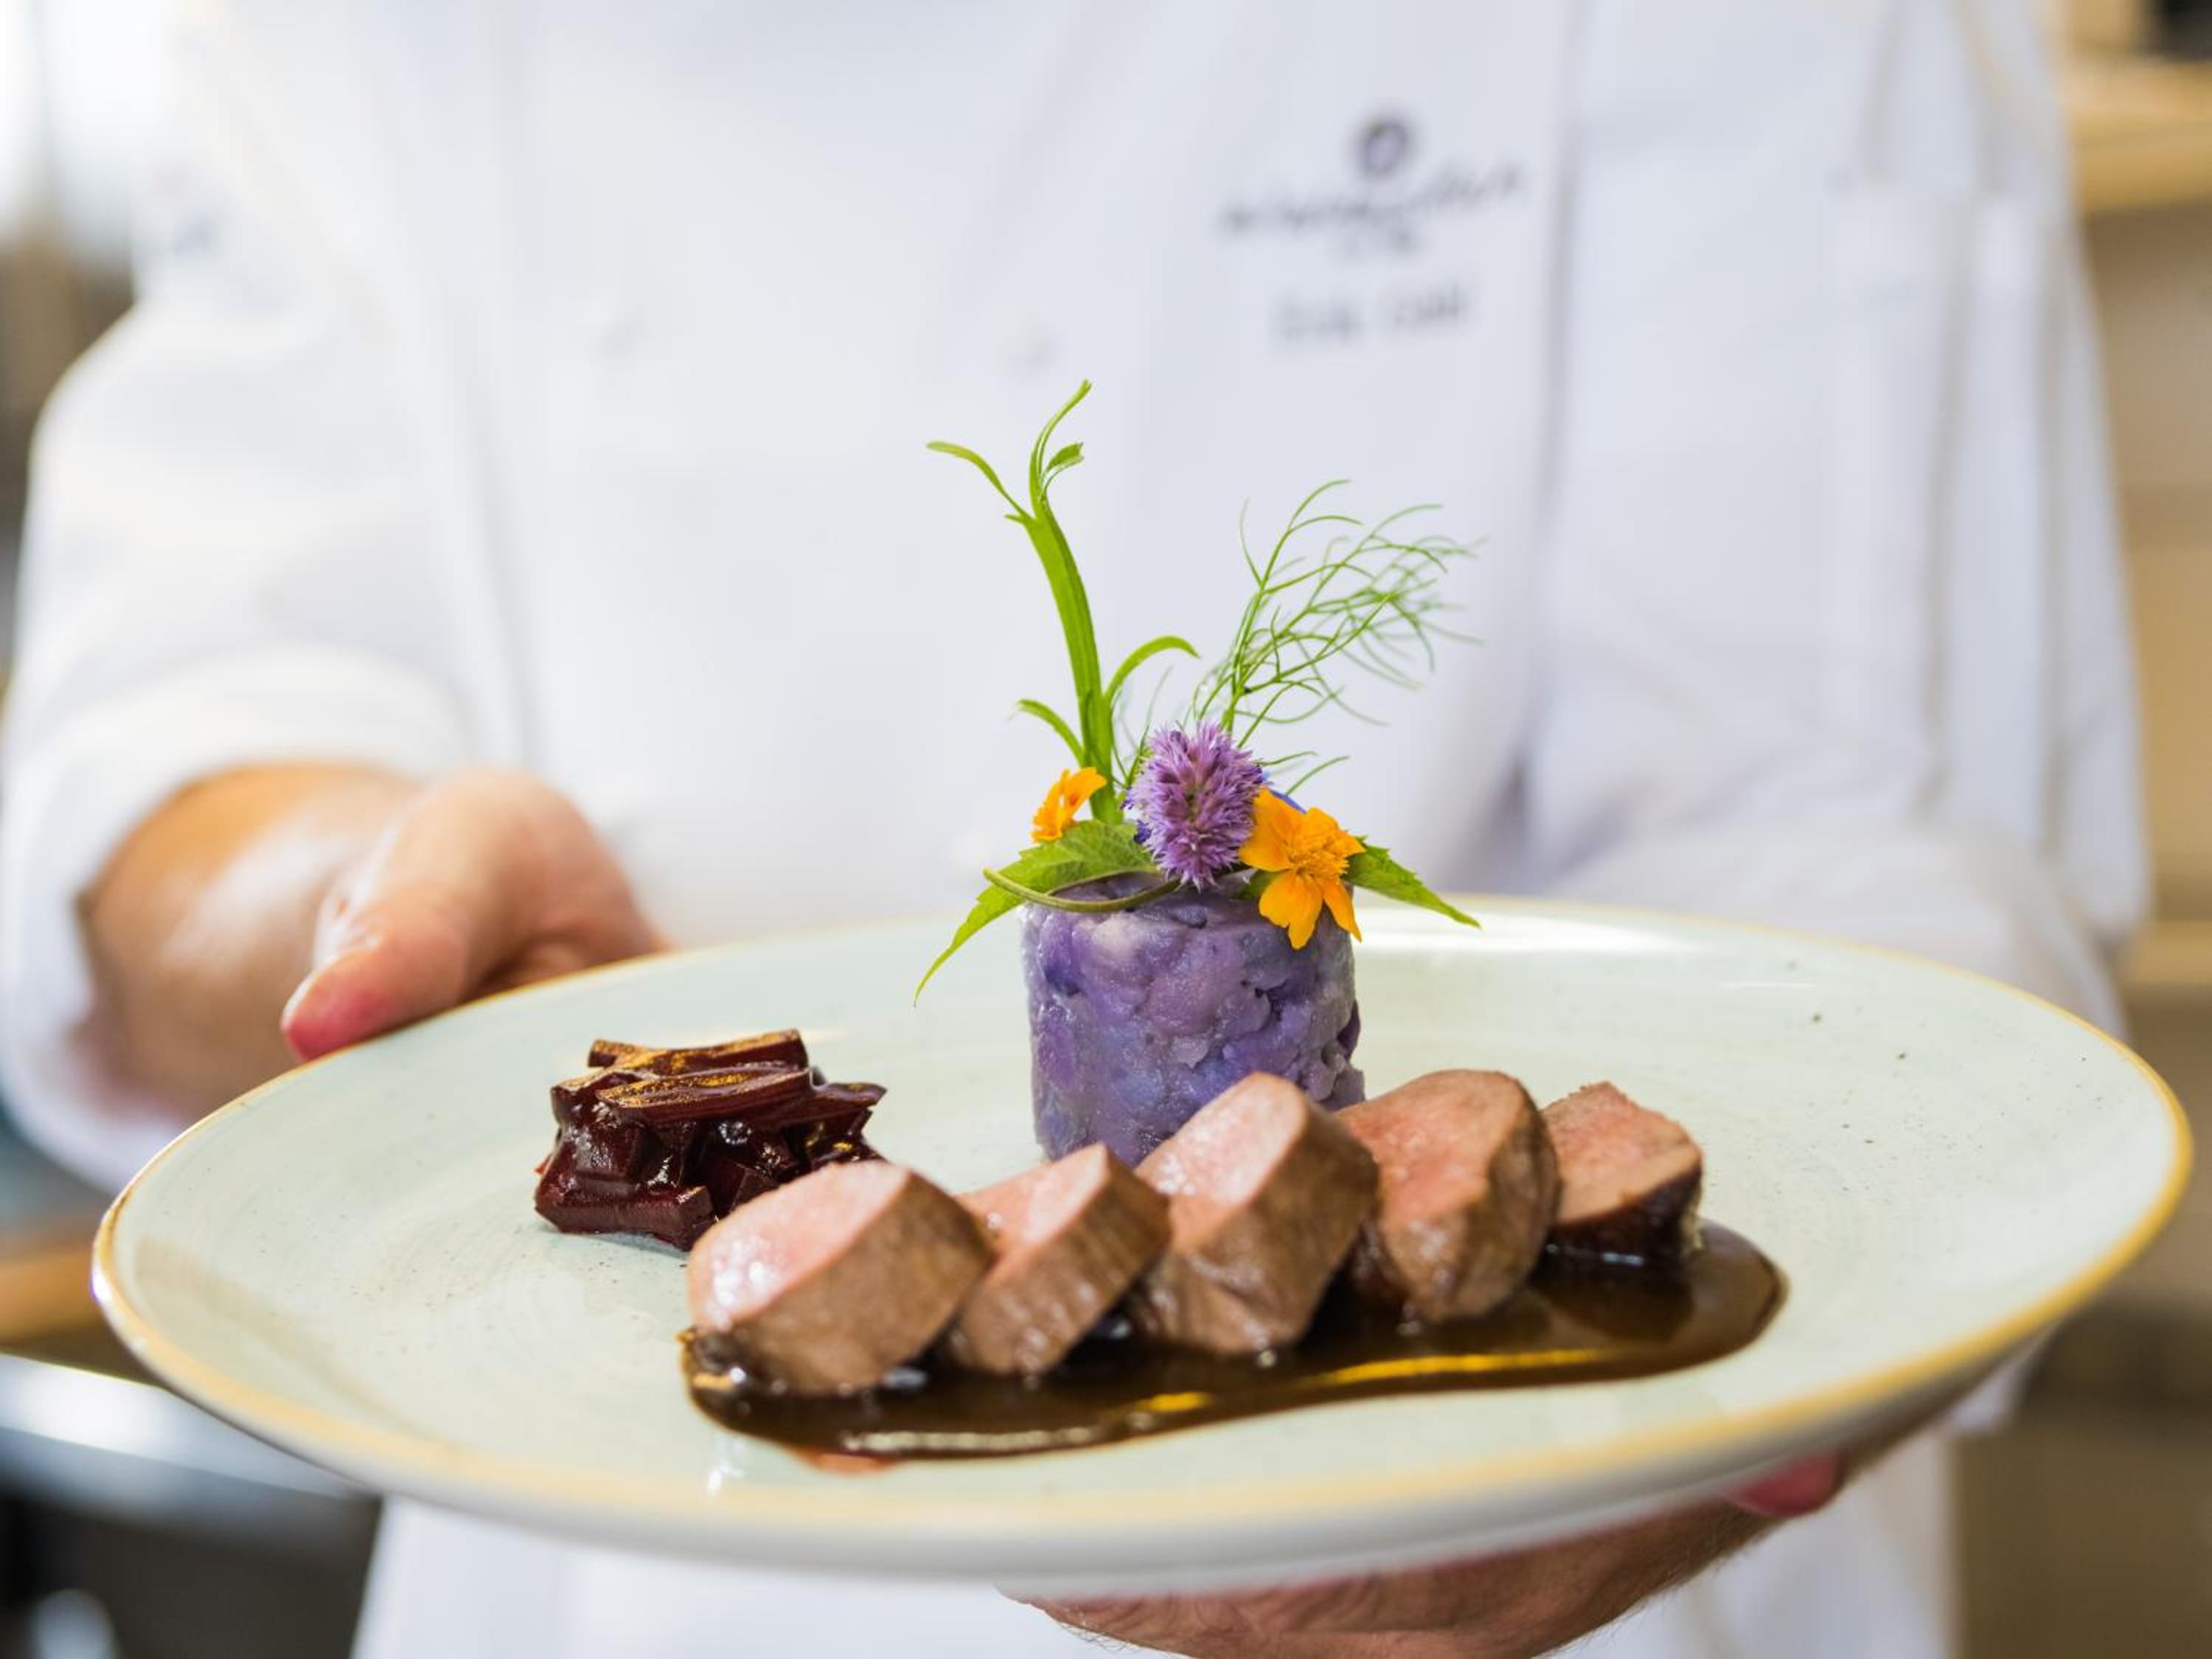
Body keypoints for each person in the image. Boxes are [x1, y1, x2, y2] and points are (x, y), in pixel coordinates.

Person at [0, 2, 2143, 1655]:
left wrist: (1681, 1392)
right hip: (635, 1574)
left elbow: (1881, 878)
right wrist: (397, 910)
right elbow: (172, 759)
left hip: (1542, 1545)